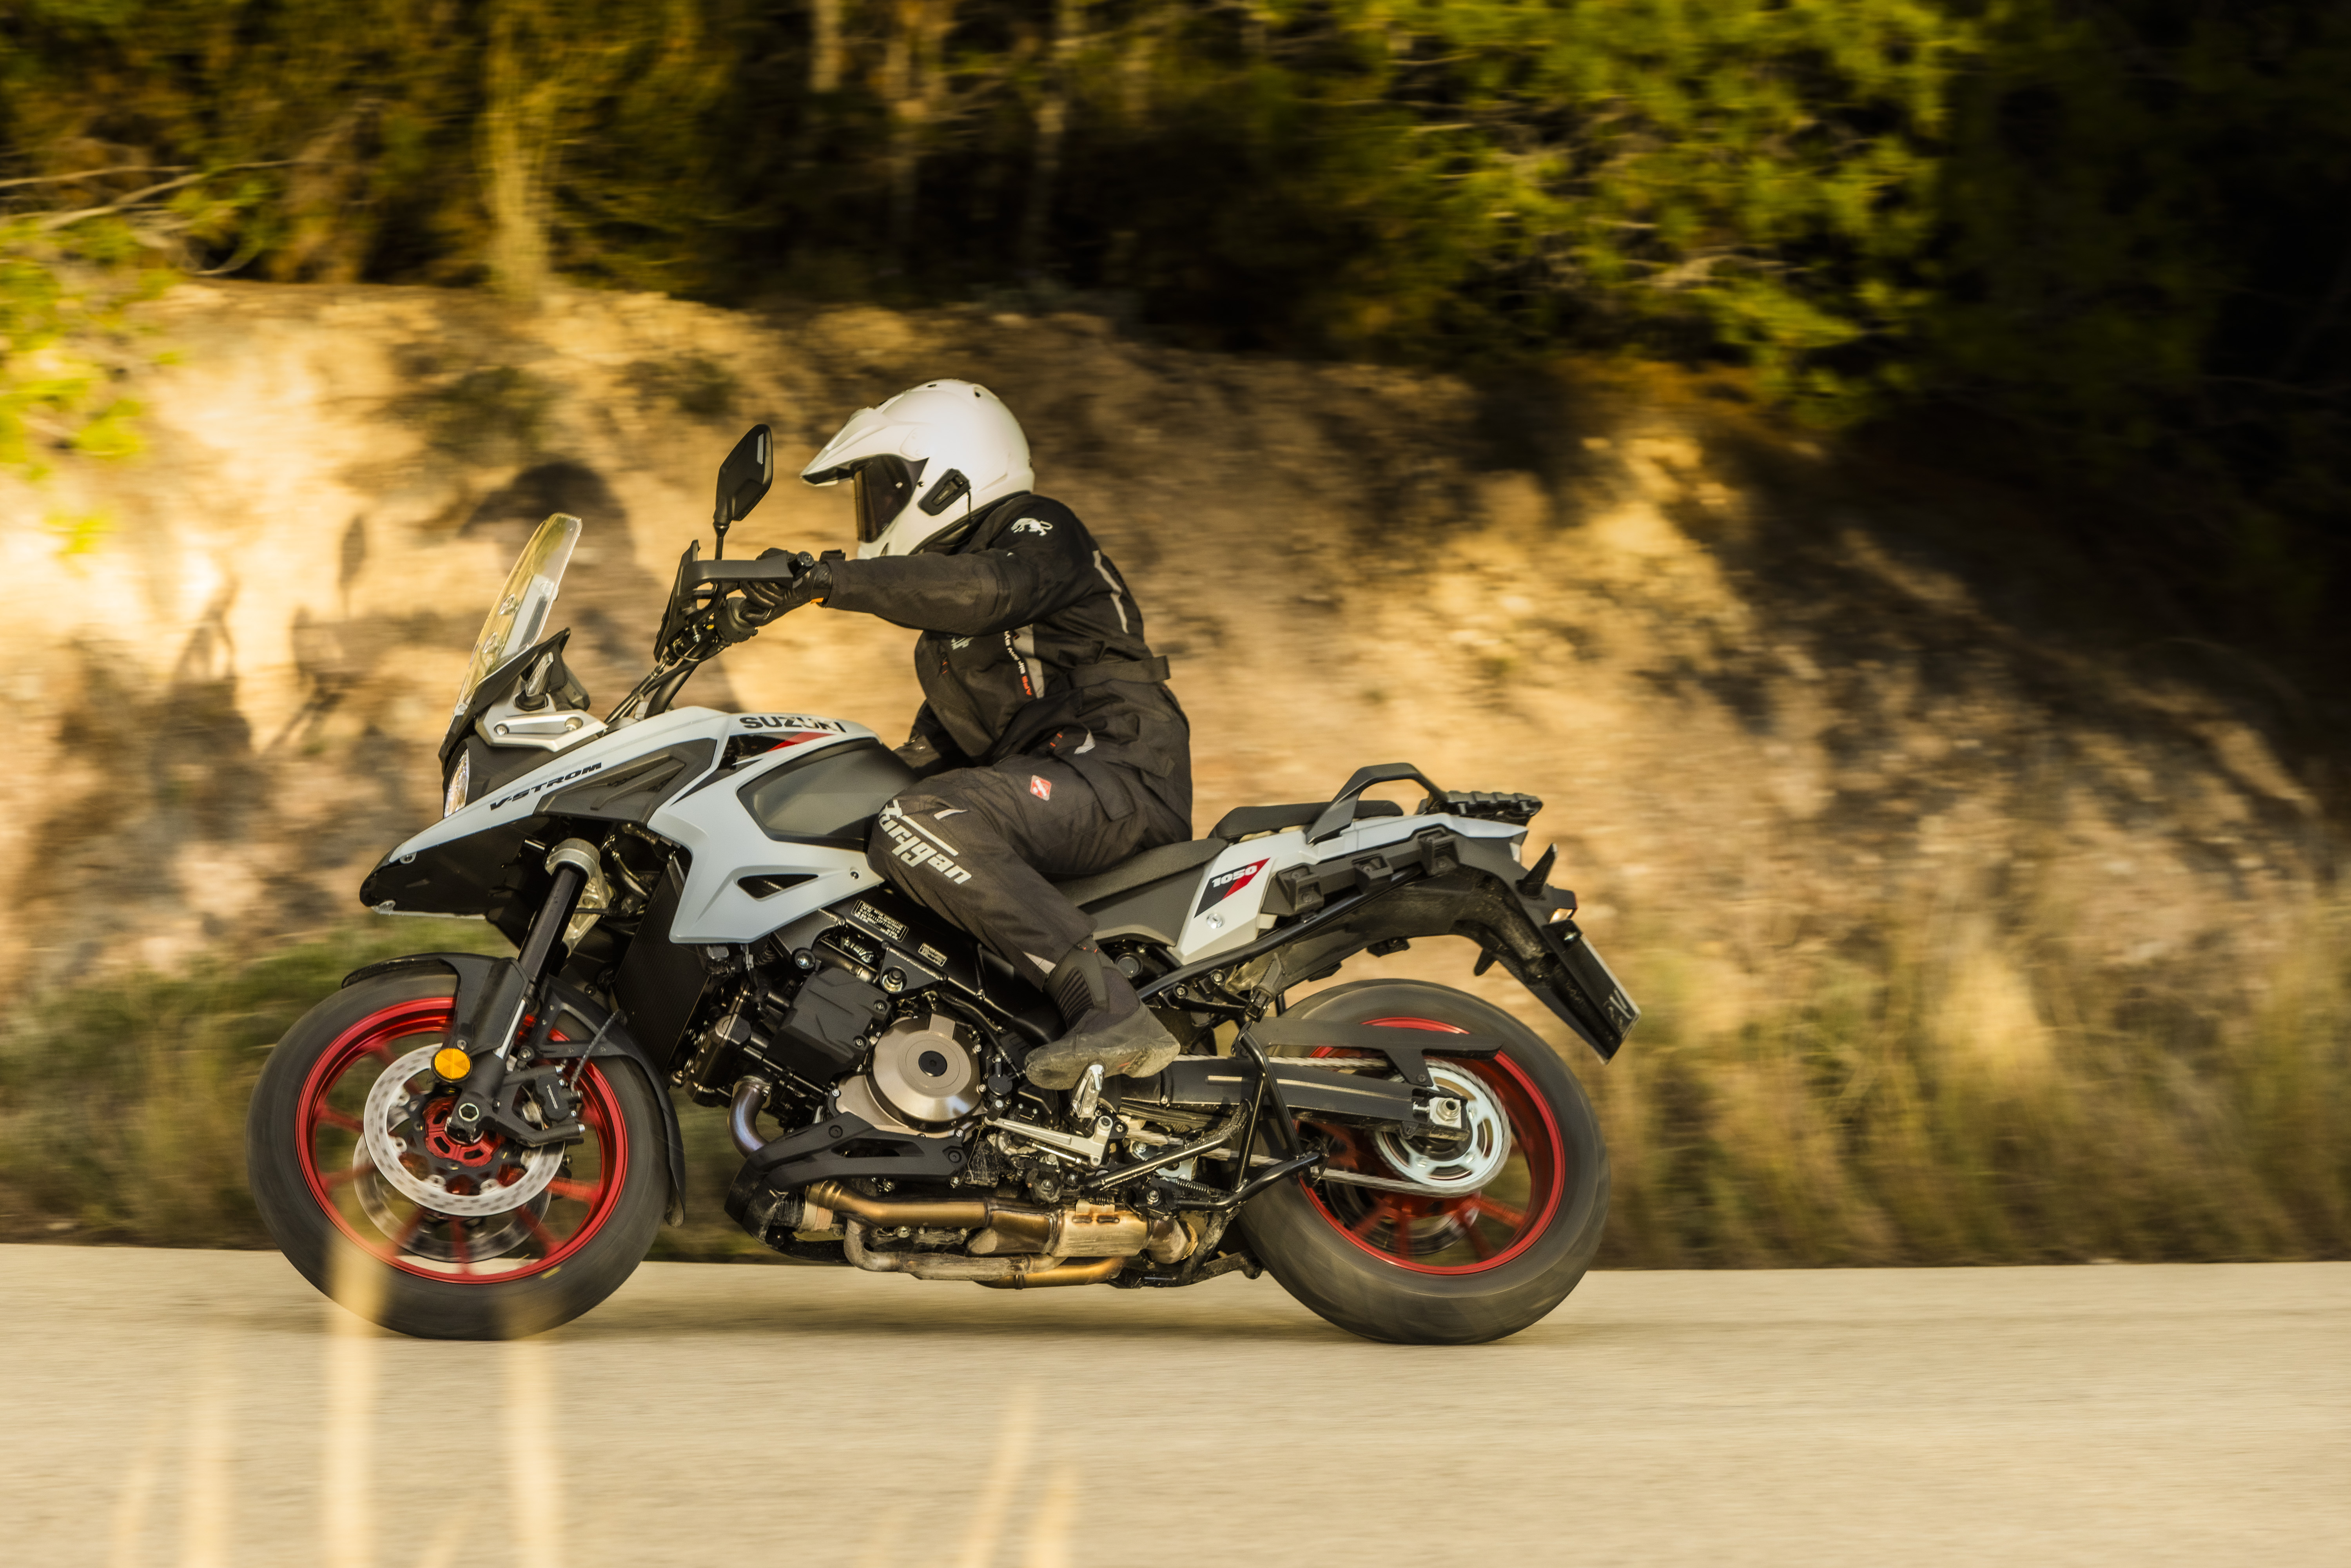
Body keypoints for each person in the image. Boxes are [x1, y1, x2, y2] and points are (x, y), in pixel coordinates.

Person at [741, 380, 1189, 1090]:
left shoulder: (1038, 530)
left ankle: (1108, 1007)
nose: (874, 509)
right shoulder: (947, 647)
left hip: (1116, 772)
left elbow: (988, 588)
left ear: (950, 475)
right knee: (884, 819)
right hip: (1053, 790)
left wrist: (829, 579)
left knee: (921, 820)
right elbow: (931, 755)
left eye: (886, 488)